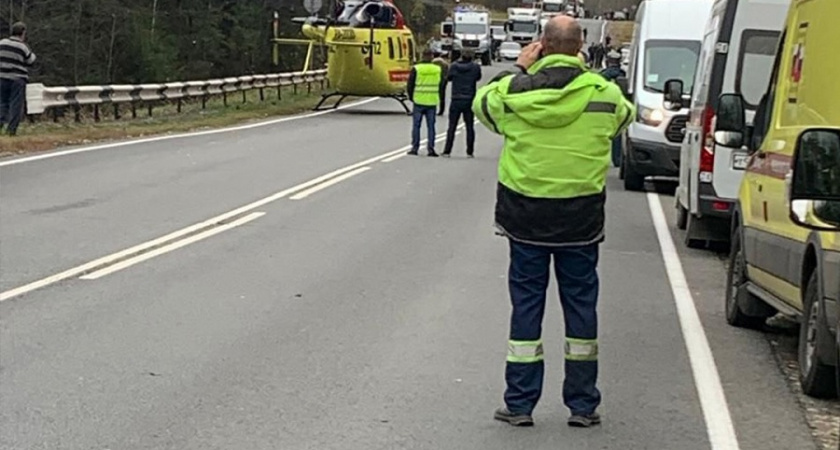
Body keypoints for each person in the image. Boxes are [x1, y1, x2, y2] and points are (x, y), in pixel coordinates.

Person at [472, 15, 635, 428]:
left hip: (525, 217)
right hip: (580, 219)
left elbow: (483, 108)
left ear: (540, 44)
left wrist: (521, 68)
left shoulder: (513, 91)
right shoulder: (604, 93)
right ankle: (582, 406)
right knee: (581, 308)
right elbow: (624, 118)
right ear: (581, 47)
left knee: (527, 306)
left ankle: (520, 403)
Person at [442, 50, 481, 158]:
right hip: (469, 98)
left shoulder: (454, 66)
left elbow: (449, 77)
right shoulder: (475, 67)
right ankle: (470, 151)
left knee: (452, 126)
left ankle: (447, 151)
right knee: (469, 126)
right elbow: (478, 78)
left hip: (456, 98)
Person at [406, 49, 445, 157]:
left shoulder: (417, 69)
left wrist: (411, 97)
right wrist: (440, 99)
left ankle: (415, 148)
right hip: (432, 101)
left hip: (418, 100)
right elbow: (441, 85)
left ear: (422, 56)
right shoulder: (437, 69)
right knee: (431, 126)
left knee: (416, 126)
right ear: (432, 57)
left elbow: (410, 85)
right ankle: (431, 149)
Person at [0, 22, 36, 137]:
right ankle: (11, 130)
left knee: (2, 103)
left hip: (2, 77)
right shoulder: (23, 47)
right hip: (17, 79)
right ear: (23, 33)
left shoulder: (2, 43)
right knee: (15, 105)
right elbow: (30, 61)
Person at [600, 50, 627, 168]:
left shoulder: (603, 75)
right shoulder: (622, 74)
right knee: (617, 134)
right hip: (618, 107)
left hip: (602, 108)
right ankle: (617, 159)